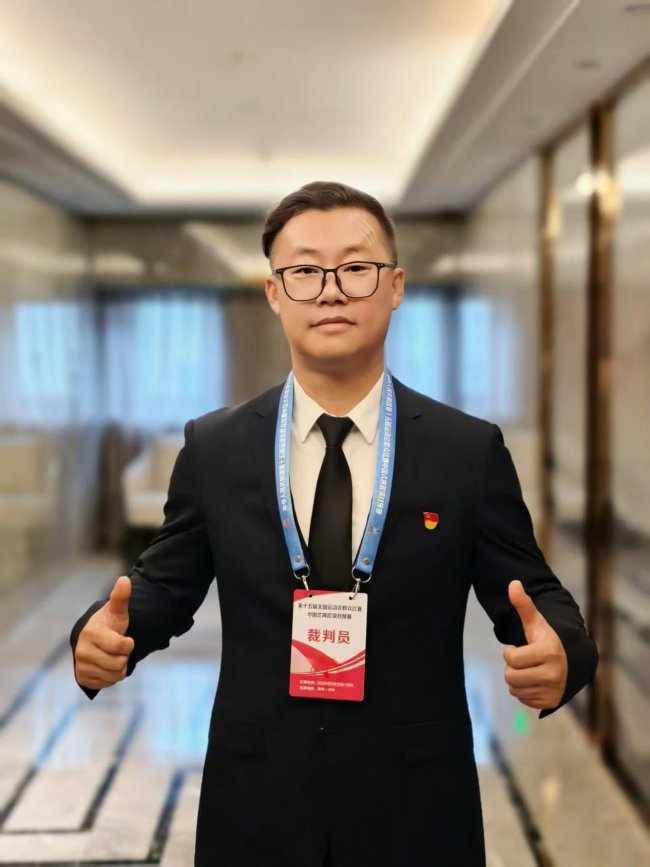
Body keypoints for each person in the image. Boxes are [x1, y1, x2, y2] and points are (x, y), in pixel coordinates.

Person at [70, 181, 598, 867]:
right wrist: (106, 634)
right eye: (305, 271)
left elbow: (534, 590)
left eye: (355, 268)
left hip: (417, 803)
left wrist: (564, 652)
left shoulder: (464, 450)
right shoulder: (216, 447)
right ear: (274, 292)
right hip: (255, 796)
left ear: (395, 286)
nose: (330, 291)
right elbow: (165, 585)